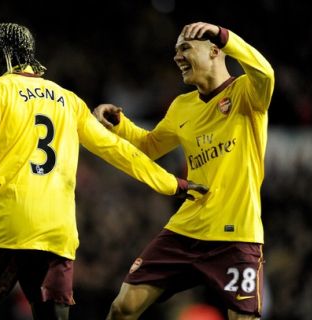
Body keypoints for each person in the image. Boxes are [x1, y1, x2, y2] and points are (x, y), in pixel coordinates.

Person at [0, 23, 208, 320]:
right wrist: (171, 183)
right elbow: (116, 149)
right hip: (58, 233)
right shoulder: (69, 100)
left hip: (8, 226)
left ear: (3, 53)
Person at [93, 22, 274, 320]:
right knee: (122, 308)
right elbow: (150, 146)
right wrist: (120, 125)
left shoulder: (246, 93)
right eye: (176, 51)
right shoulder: (182, 106)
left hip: (236, 234)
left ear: (215, 51)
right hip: (185, 229)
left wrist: (225, 35)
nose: (177, 57)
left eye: (185, 48)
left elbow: (265, 72)